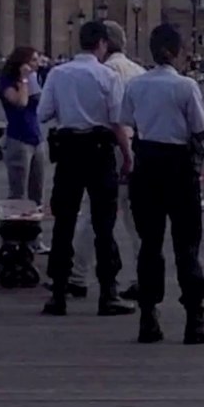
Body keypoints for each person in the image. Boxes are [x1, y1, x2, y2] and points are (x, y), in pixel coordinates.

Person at [123, 24, 204, 345]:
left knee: (149, 244)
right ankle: (195, 317)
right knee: (187, 245)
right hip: (178, 166)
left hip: (146, 164)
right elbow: (200, 129)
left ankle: (148, 317)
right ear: (177, 51)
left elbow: (128, 122)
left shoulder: (136, 85)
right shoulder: (185, 86)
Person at [37, 20, 136, 317]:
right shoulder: (108, 76)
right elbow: (117, 121)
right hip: (99, 151)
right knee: (104, 225)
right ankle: (108, 294)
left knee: (64, 222)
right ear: (103, 44)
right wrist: (127, 155)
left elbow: (43, 113)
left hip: (68, 151)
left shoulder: (58, 73)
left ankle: (58, 294)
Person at [69, 21, 146, 301]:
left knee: (93, 216)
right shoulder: (139, 72)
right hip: (137, 146)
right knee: (136, 219)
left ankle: (78, 276)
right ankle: (143, 276)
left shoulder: (104, 72)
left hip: (109, 148)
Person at [0, 47, 46, 207]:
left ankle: (35, 218)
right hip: (18, 138)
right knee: (18, 190)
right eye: (33, 60)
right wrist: (24, 80)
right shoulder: (8, 82)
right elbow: (21, 102)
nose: (37, 64)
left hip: (36, 137)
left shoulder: (34, 79)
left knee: (37, 189)